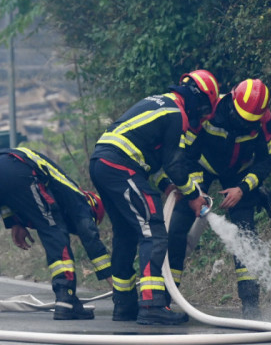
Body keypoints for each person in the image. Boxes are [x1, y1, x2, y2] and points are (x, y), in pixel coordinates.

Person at [89, 70, 219, 325]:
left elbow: (154, 163)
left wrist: (168, 186)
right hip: (121, 166)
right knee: (154, 231)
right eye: (204, 109)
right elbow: (174, 163)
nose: (202, 116)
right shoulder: (175, 113)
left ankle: (124, 305)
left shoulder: (159, 102)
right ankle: (151, 305)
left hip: (102, 163)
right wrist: (194, 195)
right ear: (198, 99)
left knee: (126, 234)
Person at [167, 78, 271, 319]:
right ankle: (166, 298)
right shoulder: (208, 111)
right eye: (240, 118)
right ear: (231, 101)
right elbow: (186, 153)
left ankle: (251, 305)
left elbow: (267, 159)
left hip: (239, 175)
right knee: (177, 228)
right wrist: (195, 191)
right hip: (201, 170)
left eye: (250, 121)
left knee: (245, 233)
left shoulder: (265, 122)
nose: (243, 124)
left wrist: (244, 187)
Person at [0, 147, 112, 320]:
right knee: (52, 228)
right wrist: (114, 283)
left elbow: (1, 189)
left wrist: (14, 222)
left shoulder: (59, 188)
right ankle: (66, 299)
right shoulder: (78, 197)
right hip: (13, 171)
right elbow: (89, 236)